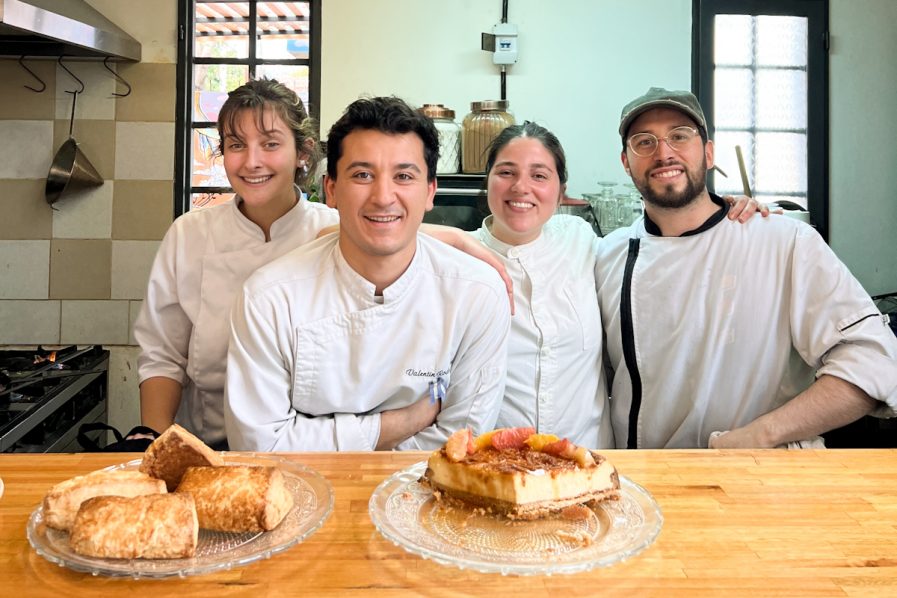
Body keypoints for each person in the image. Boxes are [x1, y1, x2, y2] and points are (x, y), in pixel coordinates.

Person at [135, 79, 511, 450]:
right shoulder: (195, 237)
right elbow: (162, 355)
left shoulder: (329, 227)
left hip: (312, 451)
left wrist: (459, 241)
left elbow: (385, 227)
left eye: (270, 144)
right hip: (205, 438)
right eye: (236, 145)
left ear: (303, 153)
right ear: (333, 188)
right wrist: (154, 445)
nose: (252, 161)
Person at [594, 86, 897, 449]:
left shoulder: (783, 241)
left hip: (763, 482)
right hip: (644, 484)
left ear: (708, 154)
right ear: (626, 162)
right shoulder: (607, 255)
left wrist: (762, 434)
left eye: (680, 136)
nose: (664, 152)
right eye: (644, 142)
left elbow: (875, 361)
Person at [473, 122, 764, 448]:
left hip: (588, 459)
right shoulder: (459, 260)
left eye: (539, 175)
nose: (521, 187)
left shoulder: (581, 239)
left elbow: (667, 255)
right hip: (496, 463)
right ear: (487, 182)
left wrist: (723, 210)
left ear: (561, 191)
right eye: (506, 173)